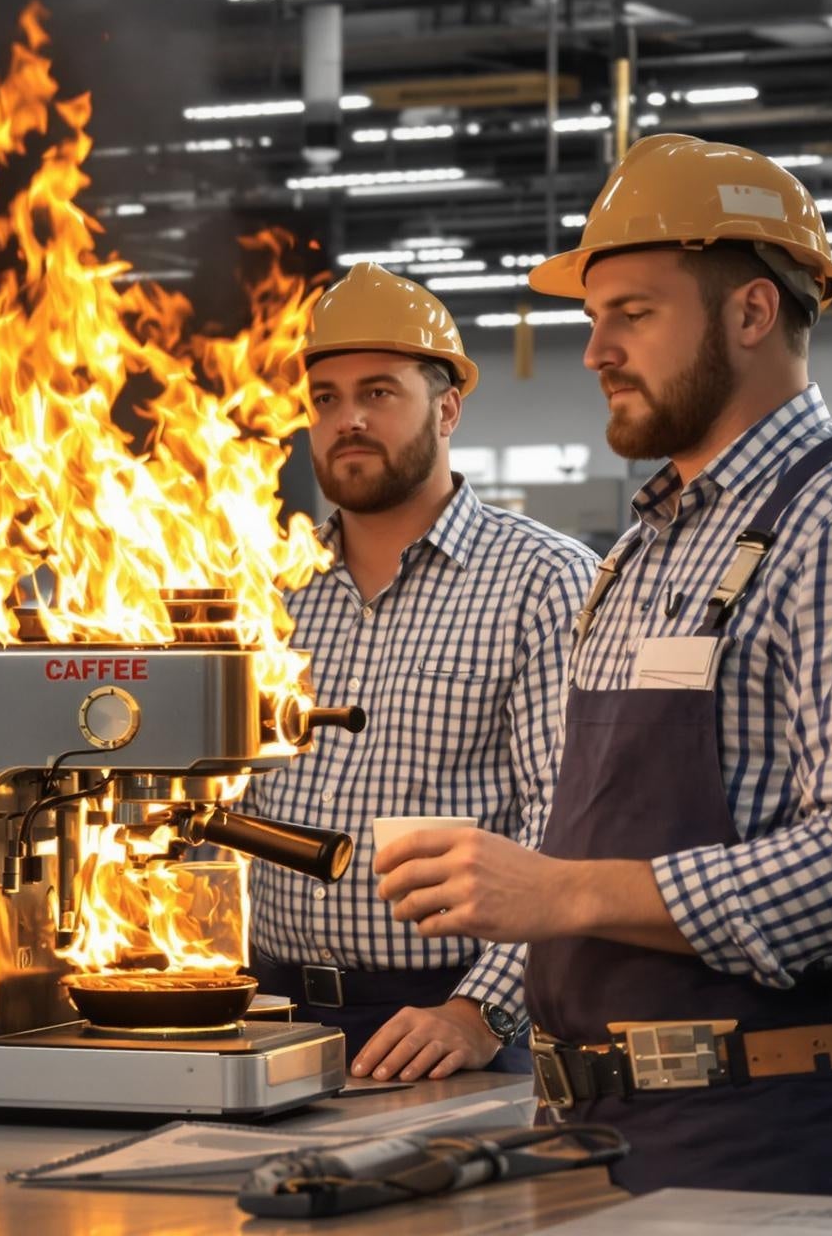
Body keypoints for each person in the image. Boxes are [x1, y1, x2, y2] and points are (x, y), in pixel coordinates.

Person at [375, 135, 832, 1197]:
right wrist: (505, 962)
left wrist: (558, 891)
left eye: (634, 313)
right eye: (591, 316)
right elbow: (593, 849)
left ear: (751, 313)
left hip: (764, 1134)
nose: (595, 351)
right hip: (587, 1128)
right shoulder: (640, 551)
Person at [242, 263, 596, 1082]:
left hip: (449, 1022)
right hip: (265, 1009)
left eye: (378, 392)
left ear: (448, 408)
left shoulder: (542, 581)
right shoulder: (268, 588)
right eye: (325, 398)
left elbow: (568, 829)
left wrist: (480, 1013)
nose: (348, 419)